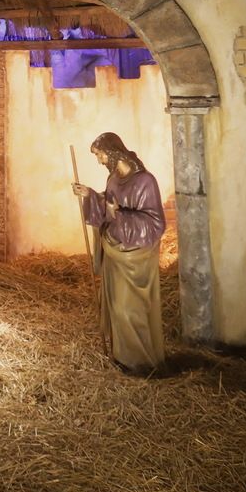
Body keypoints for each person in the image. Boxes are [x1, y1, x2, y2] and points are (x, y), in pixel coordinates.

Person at [71, 131, 166, 373]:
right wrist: (90, 195)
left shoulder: (146, 181)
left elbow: (155, 224)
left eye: (100, 155)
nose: (99, 160)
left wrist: (118, 214)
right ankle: (123, 358)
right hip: (114, 253)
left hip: (136, 258)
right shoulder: (113, 179)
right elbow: (108, 204)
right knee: (115, 306)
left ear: (113, 153)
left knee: (129, 308)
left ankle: (141, 361)